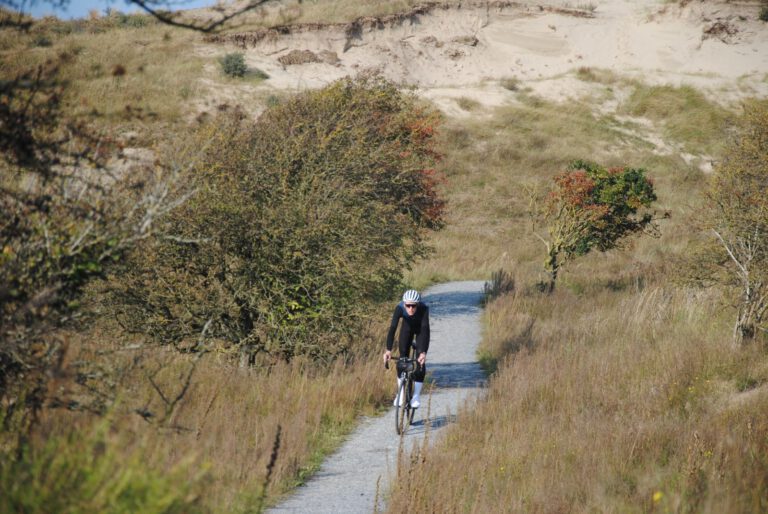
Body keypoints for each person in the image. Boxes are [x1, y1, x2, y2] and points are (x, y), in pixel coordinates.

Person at [383, 289, 429, 408]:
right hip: (406, 329)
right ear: (404, 304)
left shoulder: (423, 309)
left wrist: (423, 352)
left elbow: (425, 330)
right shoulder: (399, 308)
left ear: (417, 304)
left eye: (413, 306)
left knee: (420, 363)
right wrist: (388, 350)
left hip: (420, 332)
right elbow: (393, 328)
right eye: (408, 305)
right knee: (402, 361)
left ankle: (416, 396)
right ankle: (401, 394)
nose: (410, 309)